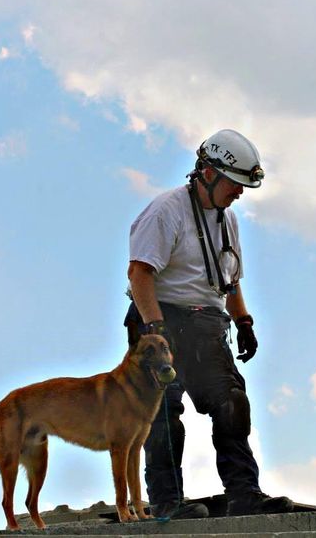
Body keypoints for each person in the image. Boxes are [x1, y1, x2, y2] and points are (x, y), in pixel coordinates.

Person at [124, 129, 294, 520]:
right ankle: (168, 503)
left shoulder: (227, 219)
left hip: (205, 324)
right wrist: (155, 328)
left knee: (232, 404)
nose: (240, 193)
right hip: (161, 319)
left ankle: (244, 495)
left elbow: (228, 279)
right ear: (209, 174)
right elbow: (140, 273)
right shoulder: (166, 211)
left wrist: (244, 321)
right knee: (164, 410)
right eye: (235, 185)